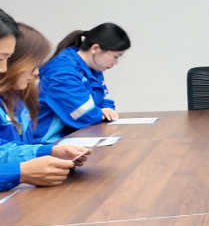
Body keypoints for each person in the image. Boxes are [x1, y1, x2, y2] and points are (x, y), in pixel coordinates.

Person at [0, 12, 90, 192]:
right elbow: (87, 116)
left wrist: (47, 151)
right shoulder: (63, 72)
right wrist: (19, 172)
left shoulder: (19, 100)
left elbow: (3, 150)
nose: (3, 68)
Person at [34, 23, 131, 144]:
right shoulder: (62, 73)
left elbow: (106, 100)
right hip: (50, 144)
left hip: (78, 138)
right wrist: (102, 112)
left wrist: (105, 109)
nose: (116, 63)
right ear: (95, 48)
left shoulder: (94, 69)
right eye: (116, 57)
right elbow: (86, 116)